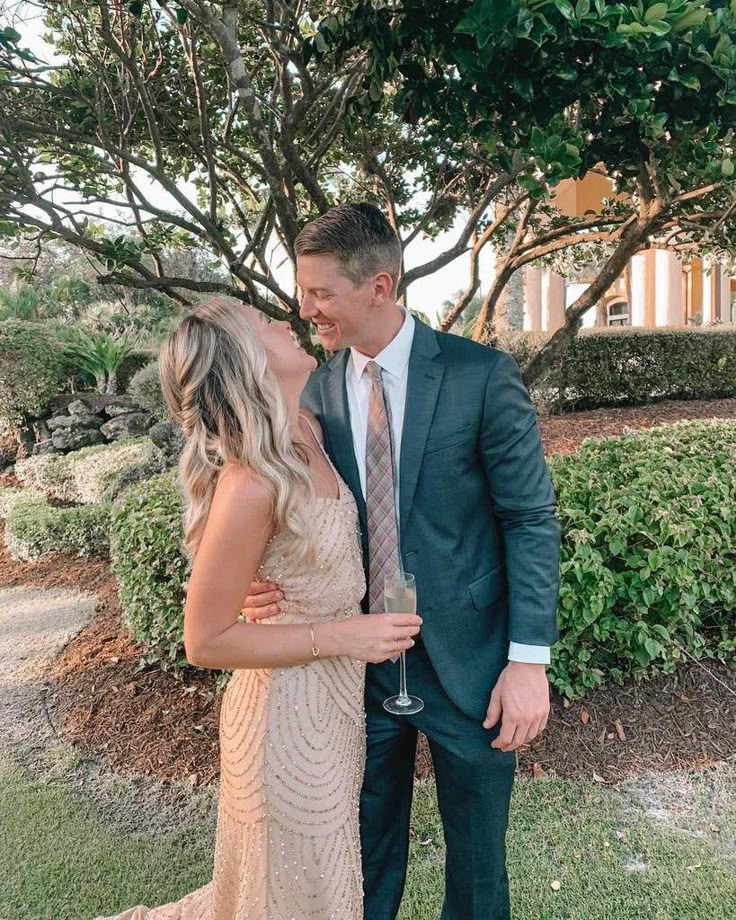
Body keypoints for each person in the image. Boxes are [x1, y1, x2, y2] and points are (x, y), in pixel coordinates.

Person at [243, 203, 561, 920]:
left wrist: (528, 661)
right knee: (360, 861)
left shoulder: (481, 376)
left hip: (473, 668)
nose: (307, 308)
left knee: (478, 872)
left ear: (379, 287)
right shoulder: (320, 388)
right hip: (356, 674)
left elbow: (530, 519)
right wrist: (264, 582)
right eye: (304, 291)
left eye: (321, 292)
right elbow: (298, 512)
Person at [93, 297, 422, 920]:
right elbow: (206, 641)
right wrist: (342, 636)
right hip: (281, 722)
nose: (282, 321)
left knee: (315, 889)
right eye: (263, 323)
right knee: (295, 897)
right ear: (246, 362)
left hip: (334, 712)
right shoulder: (253, 482)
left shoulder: (309, 433)